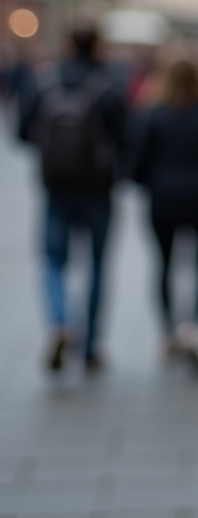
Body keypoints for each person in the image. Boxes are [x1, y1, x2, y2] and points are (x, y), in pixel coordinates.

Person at [19, 21, 127, 373]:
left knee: (53, 260)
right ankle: (91, 345)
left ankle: (60, 321)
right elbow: (127, 138)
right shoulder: (108, 85)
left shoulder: (44, 82)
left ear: (67, 45)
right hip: (98, 189)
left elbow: (22, 131)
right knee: (96, 265)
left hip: (56, 187)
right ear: (97, 47)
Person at [132, 57, 198, 371]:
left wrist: (143, 182)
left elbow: (139, 164)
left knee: (164, 265)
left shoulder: (153, 115)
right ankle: (192, 328)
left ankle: (168, 333)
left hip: (162, 198)